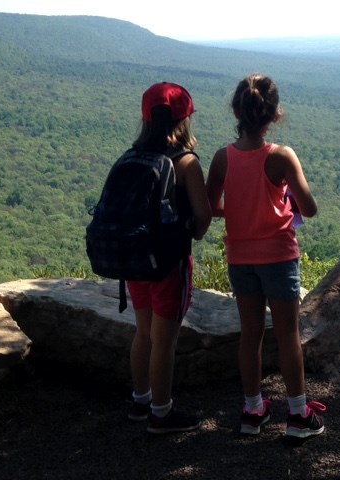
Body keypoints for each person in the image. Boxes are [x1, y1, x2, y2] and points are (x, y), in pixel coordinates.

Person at [205, 73, 326, 438]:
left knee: (251, 334)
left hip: (241, 257)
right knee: (288, 333)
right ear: (275, 115)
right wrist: (280, 202)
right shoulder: (282, 157)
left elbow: (213, 206)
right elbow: (310, 207)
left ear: (236, 112)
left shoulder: (222, 158)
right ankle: (298, 415)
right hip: (278, 255)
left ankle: (253, 411)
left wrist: (242, 210)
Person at [126, 82, 212, 434]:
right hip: (169, 264)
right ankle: (162, 413)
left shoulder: (133, 156)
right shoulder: (186, 162)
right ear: (183, 120)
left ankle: (140, 400)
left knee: (143, 332)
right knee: (165, 339)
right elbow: (203, 216)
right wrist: (192, 231)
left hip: (134, 261)